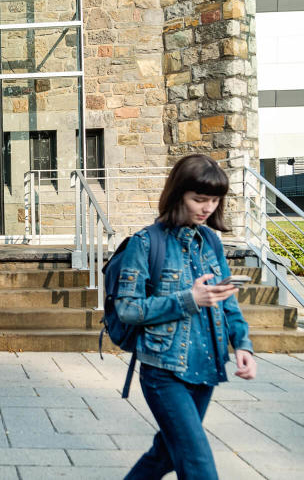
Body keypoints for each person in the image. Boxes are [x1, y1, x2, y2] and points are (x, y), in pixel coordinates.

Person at [117, 154, 256, 479]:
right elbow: (128, 309)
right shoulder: (146, 242)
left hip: (207, 369)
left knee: (164, 454)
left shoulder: (210, 241)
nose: (207, 207)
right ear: (178, 194)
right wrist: (188, 299)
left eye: (214, 200)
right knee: (199, 466)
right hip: (165, 372)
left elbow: (227, 303)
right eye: (199, 199)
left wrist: (243, 346)